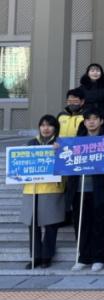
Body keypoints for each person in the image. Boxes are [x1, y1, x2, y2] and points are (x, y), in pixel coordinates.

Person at [67, 108, 104, 272]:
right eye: (88, 119)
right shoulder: (76, 141)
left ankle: (99, 257)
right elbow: (66, 160)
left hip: (100, 188)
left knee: (100, 223)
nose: (91, 122)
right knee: (81, 223)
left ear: (101, 121)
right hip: (79, 188)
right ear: (84, 122)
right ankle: (83, 257)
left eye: (95, 118)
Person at [20, 115, 64, 269]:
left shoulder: (60, 144)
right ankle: (35, 256)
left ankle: (47, 256)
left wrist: (60, 151)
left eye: (49, 125)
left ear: (55, 128)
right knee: (32, 224)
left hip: (52, 189)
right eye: (43, 125)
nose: (46, 128)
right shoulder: (31, 143)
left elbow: (67, 165)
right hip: (32, 189)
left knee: (51, 224)